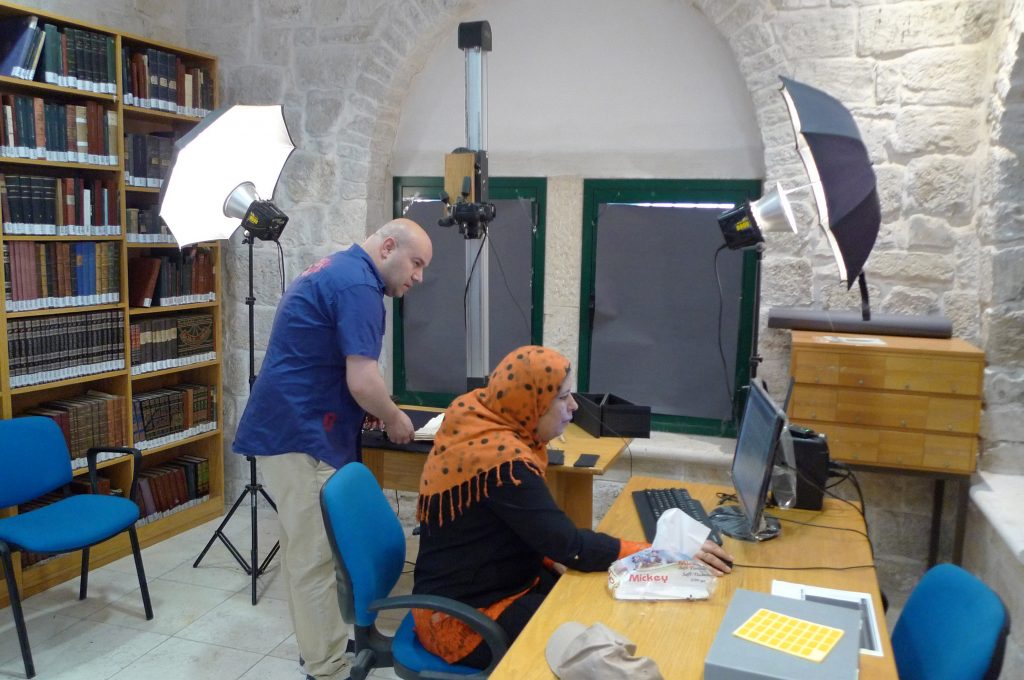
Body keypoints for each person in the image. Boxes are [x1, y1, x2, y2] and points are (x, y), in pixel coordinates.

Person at [411, 346, 733, 668]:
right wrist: (663, 553)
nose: (574, 406)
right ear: (532, 404)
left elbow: (528, 529)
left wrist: (558, 555)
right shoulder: (504, 466)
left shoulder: (479, 417)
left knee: (599, 600)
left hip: (496, 582)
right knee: (590, 640)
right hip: (465, 618)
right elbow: (571, 546)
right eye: (563, 397)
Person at [233, 218, 433, 680]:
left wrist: (375, 408)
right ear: (388, 247)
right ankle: (326, 668)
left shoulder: (339, 269)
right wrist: (394, 418)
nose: (419, 277)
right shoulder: (359, 285)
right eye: (416, 263)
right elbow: (362, 380)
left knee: (310, 551)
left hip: (296, 427)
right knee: (312, 557)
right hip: (300, 434)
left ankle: (319, 646)